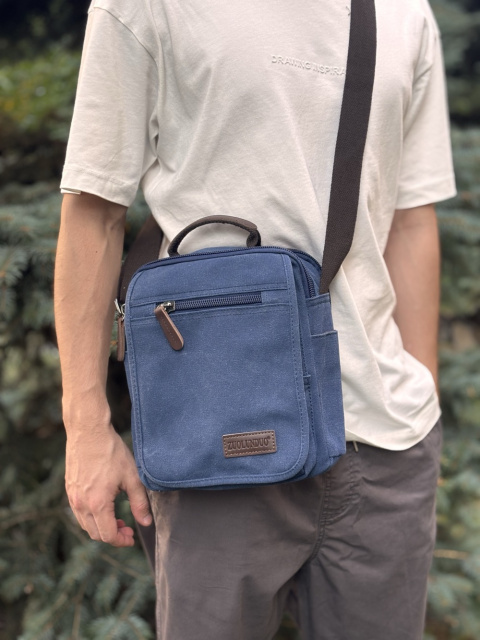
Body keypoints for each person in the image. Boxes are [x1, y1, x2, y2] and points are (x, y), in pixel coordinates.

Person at [54, 0, 456, 638]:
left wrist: (420, 391)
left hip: (385, 453)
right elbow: (94, 210)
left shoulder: (405, 12)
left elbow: (409, 217)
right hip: (215, 439)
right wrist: (86, 429)